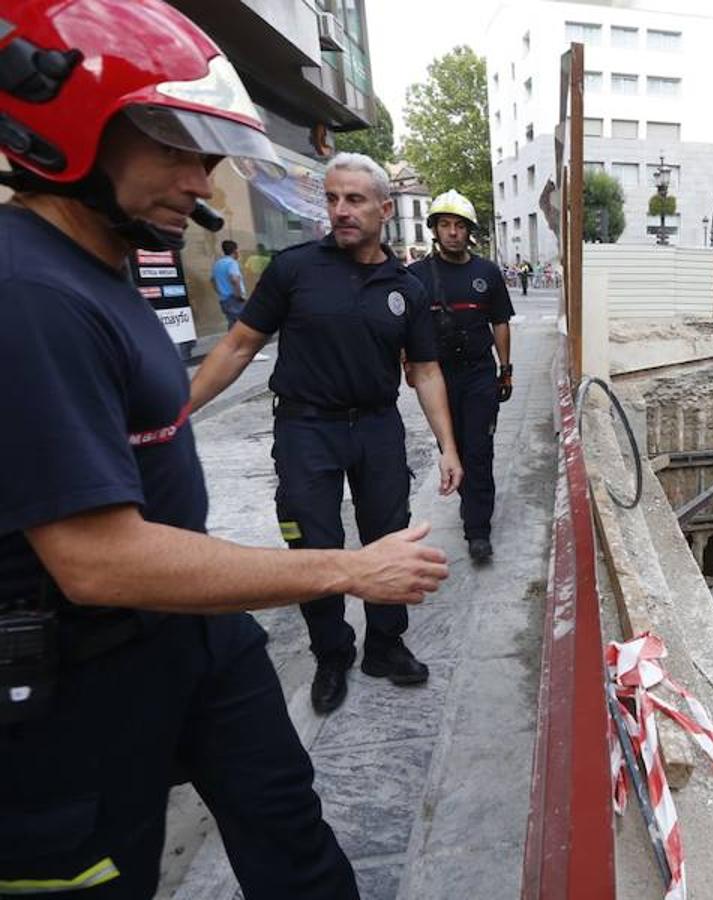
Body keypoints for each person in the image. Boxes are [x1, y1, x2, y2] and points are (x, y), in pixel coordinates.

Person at [0, 2, 449, 897]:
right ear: (70, 127)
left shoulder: (99, 262)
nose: (200, 181)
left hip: (196, 638)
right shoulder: (27, 294)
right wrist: (346, 572)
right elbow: (94, 559)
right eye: (173, 146)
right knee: (103, 871)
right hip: (84, 677)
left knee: (291, 833)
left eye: (206, 154)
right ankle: (331, 652)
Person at [190, 152, 464, 715]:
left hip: (377, 428)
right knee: (312, 542)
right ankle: (331, 653)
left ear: (384, 209)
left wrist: (448, 447)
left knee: (389, 536)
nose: (340, 211)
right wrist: (178, 411)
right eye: (333, 198)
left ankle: (385, 646)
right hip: (304, 428)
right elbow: (239, 346)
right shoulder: (294, 270)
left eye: (355, 200)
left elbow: (426, 370)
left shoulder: (406, 288)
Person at [409, 191, 514, 564]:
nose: (452, 232)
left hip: (479, 375)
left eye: (459, 226)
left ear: (468, 232)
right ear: (435, 230)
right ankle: (467, 497)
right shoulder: (416, 276)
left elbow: (499, 321)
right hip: (438, 377)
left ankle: (477, 529)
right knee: (451, 448)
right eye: (445, 225)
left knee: (479, 449)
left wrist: (506, 368)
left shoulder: (487, 273)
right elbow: (405, 329)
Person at [211, 239, 246, 329]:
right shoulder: (232, 263)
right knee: (242, 324)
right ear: (235, 251)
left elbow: (212, 280)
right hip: (234, 299)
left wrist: (220, 292)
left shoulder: (217, 264)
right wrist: (239, 295)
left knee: (232, 323)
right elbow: (235, 279)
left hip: (224, 300)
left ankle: (233, 342)